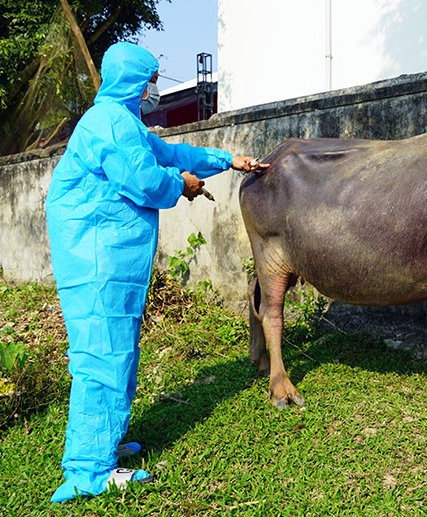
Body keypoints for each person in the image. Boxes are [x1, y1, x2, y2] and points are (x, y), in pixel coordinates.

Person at [46, 41, 267, 503]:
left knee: (118, 349)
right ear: (131, 80)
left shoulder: (122, 121)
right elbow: (147, 179)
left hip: (107, 255)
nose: (152, 89)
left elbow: (170, 153)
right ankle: (88, 470)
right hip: (95, 257)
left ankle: (107, 442)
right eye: (148, 80)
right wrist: (181, 186)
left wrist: (228, 161)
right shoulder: (108, 124)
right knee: (101, 355)